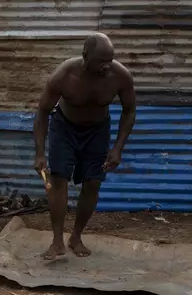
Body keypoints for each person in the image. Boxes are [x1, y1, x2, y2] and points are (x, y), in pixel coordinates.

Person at [33, 33, 136, 259]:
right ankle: (57, 241)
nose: (107, 66)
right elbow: (42, 112)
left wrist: (118, 148)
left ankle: (76, 237)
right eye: (101, 60)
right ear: (85, 56)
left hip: (97, 131)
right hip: (64, 127)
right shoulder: (64, 75)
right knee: (59, 180)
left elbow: (129, 111)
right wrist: (39, 153)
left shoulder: (120, 77)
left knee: (93, 183)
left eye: (110, 59)